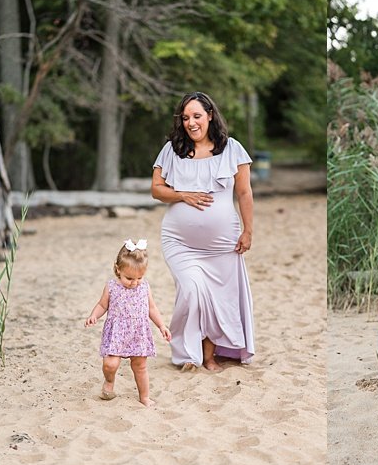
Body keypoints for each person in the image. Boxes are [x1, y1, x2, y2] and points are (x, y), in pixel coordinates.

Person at [150, 91, 255, 371]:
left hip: (222, 243)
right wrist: (183, 195)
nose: (191, 123)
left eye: (197, 116)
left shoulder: (232, 149)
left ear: (210, 115)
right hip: (179, 241)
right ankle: (186, 352)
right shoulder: (173, 149)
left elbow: (244, 193)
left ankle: (208, 356)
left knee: (218, 297)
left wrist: (248, 231)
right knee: (193, 290)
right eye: (185, 118)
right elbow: (156, 190)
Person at [84, 239, 172, 406]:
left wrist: (162, 326)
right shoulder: (111, 286)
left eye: (139, 277)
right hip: (117, 332)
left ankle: (144, 396)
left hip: (138, 332)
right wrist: (94, 315)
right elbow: (102, 305)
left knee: (140, 366)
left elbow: (152, 309)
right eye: (129, 278)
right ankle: (109, 381)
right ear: (118, 269)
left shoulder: (144, 287)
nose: (134, 282)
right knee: (110, 364)